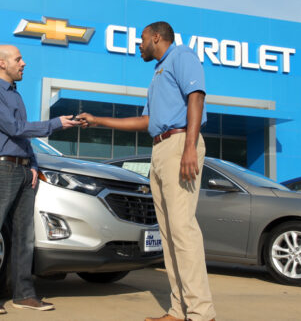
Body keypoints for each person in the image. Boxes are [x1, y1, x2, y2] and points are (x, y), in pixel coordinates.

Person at [77, 22, 216, 321]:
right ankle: (179, 310)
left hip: (181, 142)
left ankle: (202, 313)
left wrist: (190, 146)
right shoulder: (157, 74)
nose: (138, 45)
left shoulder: (182, 56)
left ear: (156, 37)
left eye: (141, 40)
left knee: (183, 230)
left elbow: (197, 97)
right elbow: (146, 122)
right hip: (161, 148)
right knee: (168, 234)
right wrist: (99, 120)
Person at [0, 44, 80, 314]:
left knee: (25, 236)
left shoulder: (16, 95)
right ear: (1, 64)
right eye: (18, 59)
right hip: (1, 169)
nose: (23, 64)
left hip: (24, 171)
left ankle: (24, 294)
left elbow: (22, 137)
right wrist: (55, 124)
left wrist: (32, 164)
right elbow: (14, 128)